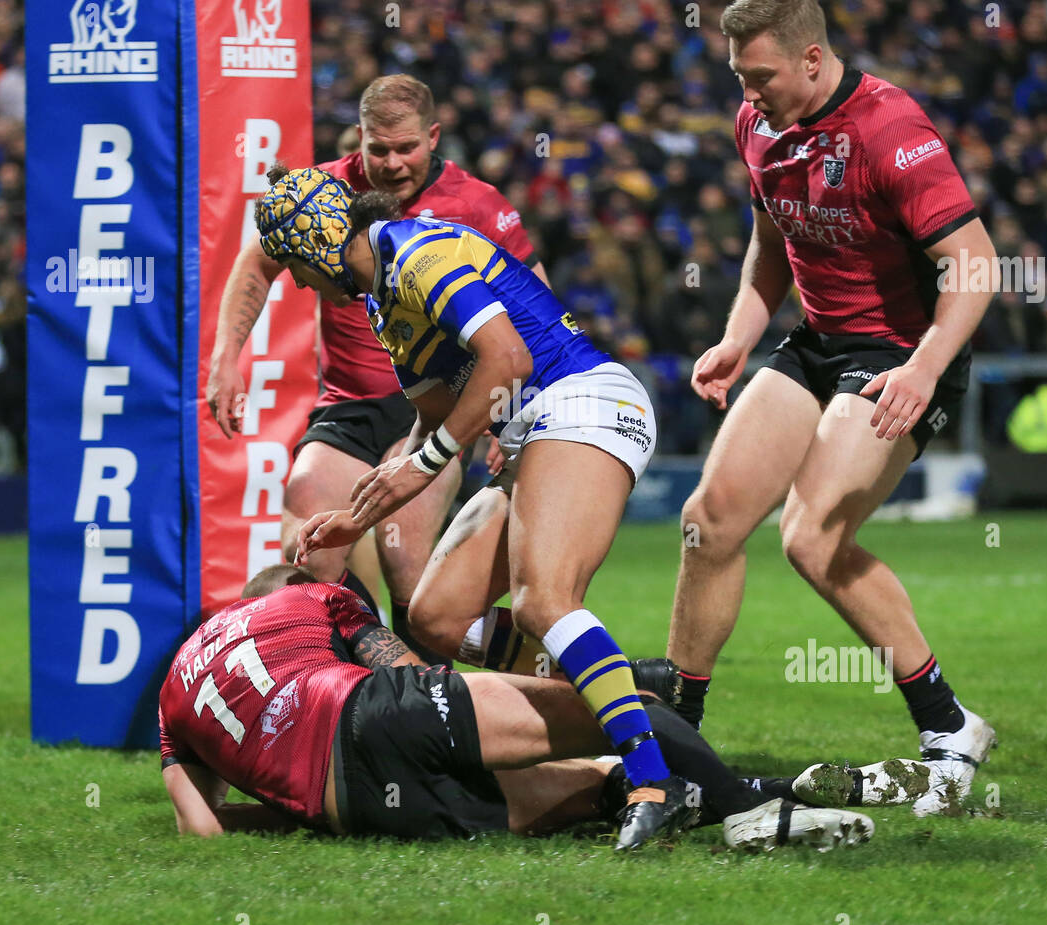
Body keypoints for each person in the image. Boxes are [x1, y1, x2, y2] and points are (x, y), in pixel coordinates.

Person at [250, 160, 706, 847]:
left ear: (315, 243)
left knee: (543, 602)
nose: (300, 282)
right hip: (536, 426)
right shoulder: (381, 300)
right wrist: (359, 516)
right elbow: (432, 420)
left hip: (582, 399)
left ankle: (653, 779)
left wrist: (423, 467)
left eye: (294, 266)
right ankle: (626, 690)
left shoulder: (418, 252)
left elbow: (507, 359)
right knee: (434, 617)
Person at [666, 0, 998, 816]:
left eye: (761, 77)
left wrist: (922, 370)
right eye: (740, 77)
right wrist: (740, 335)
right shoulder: (760, 124)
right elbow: (768, 249)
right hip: (817, 342)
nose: (747, 94)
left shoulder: (892, 129)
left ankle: (948, 723)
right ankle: (677, 741)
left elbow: (977, 264)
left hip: (898, 353)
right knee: (708, 522)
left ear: (812, 59)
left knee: (809, 536)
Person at [159, 564, 877, 851]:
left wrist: (292, 807)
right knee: (616, 707)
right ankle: (757, 799)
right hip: (378, 710)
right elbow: (402, 666)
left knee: (589, 795)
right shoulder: (309, 595)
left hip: (358, 811)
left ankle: (738, 803)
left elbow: (205, 830)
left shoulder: (172, 694)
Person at [205, 75, 545, 655]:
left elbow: (531, 300)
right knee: (308, 550)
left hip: (437, 405)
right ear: (359, 138)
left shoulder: (477, 205)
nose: (391, 163)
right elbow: (257, 263)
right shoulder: (321, 193)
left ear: (433, 137)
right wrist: (225, 359)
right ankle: (343, 695)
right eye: (378, 149)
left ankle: (543, 678)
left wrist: (512, 414)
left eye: (406, 148)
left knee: (412, 576)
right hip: (351, 404)